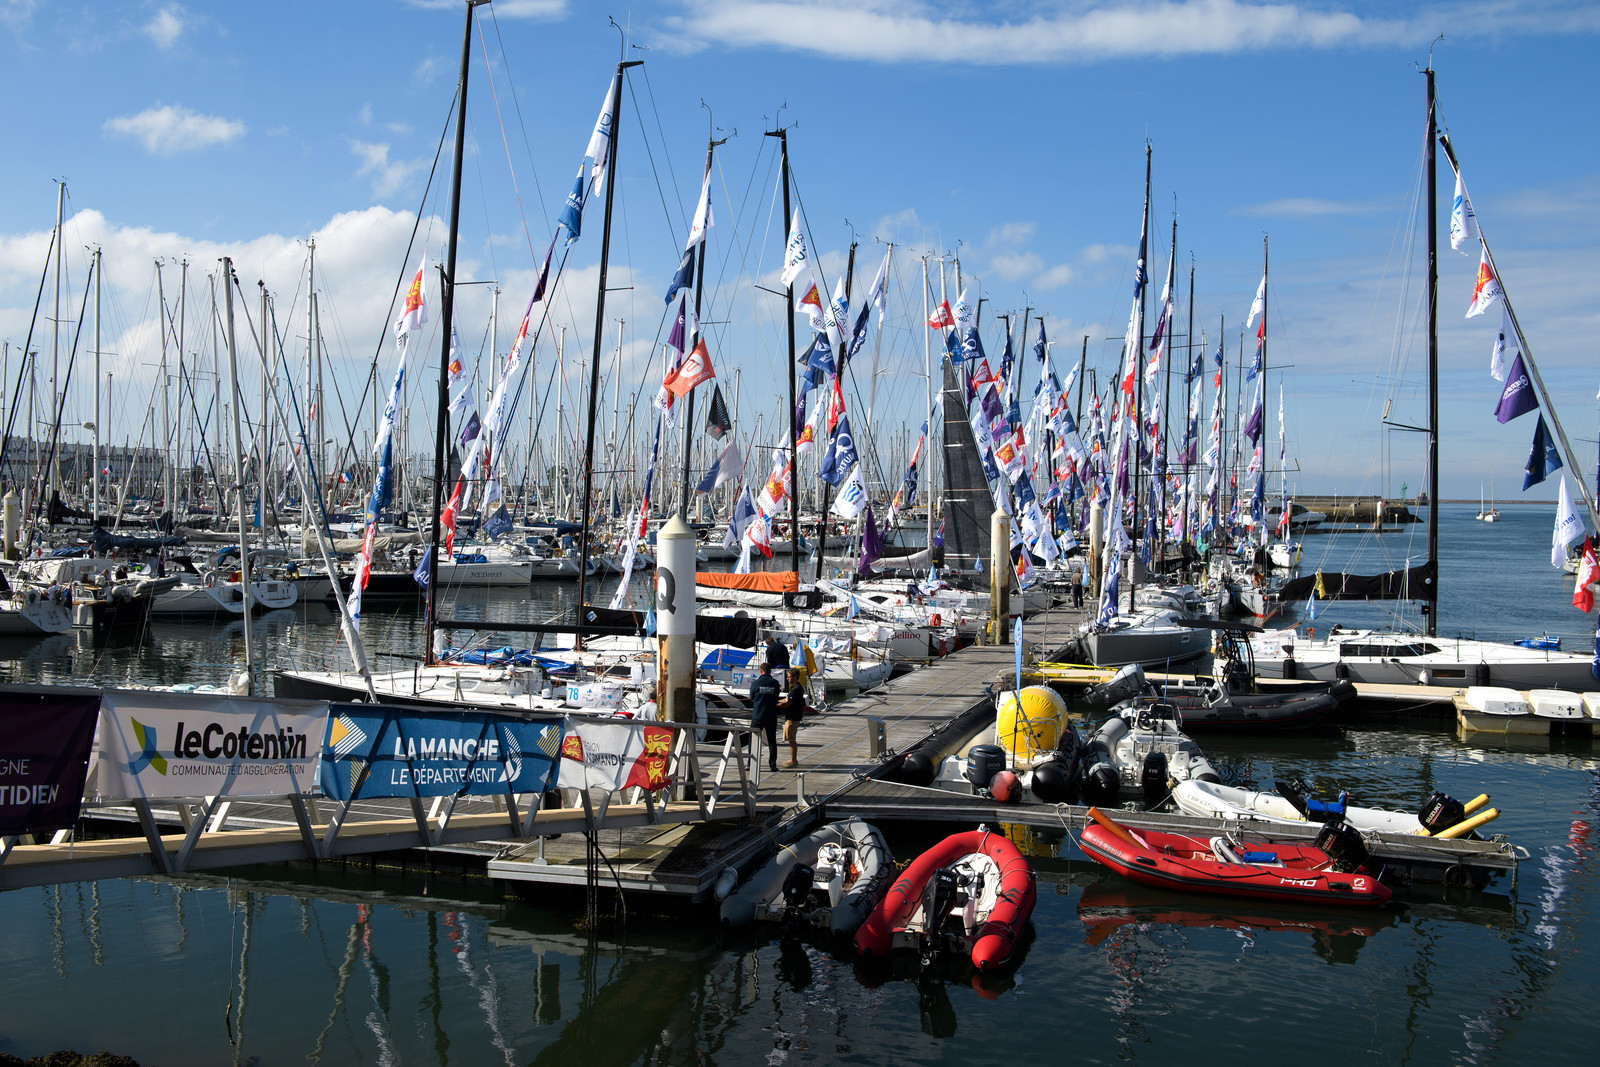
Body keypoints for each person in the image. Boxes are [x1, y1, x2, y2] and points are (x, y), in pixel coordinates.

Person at [748, 661, 782, 772]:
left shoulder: (756, 683)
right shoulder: (775, 683)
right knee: (772, 741)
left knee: (753, 740)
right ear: (770, 671)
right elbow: (776, 696)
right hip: (771, 715)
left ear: (761, 671)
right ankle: (773, 765)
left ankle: (750, 764)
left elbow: (752, 697)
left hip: (758, 715)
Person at [781, 674, 810, 769]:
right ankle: (793, 759)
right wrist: (775, 701)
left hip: (793, 717)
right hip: (792, 716)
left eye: (789, 677)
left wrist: (775, 706)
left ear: (795, 677)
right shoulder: (794, 688)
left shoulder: (796, 689)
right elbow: (786, 699)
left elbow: (787, 703)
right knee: (790, 739)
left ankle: (793, 760)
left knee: (791, 739)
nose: (787, 678)